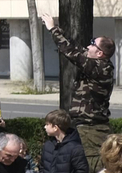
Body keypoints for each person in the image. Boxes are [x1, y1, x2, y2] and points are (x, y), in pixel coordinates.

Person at [43, 15, 116, 163]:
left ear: (99, 53)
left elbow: (72, 53)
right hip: (84, 126)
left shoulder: (101, 68)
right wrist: (58, 30)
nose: (88, 46)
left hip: (92, 128)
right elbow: (75, 47)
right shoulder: (95, 63)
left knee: (90, 165)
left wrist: (52, 29)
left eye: (92, 44)